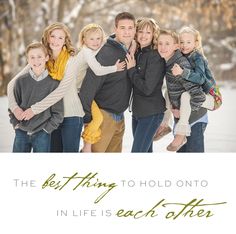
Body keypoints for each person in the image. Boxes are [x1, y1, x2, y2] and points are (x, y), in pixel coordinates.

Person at [8, 23, 85, 152]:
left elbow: (60, 91)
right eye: (53, 36)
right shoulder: (42, 58)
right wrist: (15, 108)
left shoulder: (71, 60)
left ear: (65, 40)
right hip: (50, 117)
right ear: (47, 37)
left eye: (61, 37)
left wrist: (34, 109)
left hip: (71, 116)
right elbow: (12, 84)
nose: (56, 40)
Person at [79, 12, 136, 152]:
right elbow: (89, 86)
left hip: (120, 117)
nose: (127, 32)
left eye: (130, 28)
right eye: (122, 28)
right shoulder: (106, 52)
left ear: (135, 29)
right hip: (103, 116)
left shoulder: (128, 49)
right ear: (115, 29)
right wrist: (87, 119)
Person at [157, 29, 207, 151]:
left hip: (195, 118)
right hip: (180, 118)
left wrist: (183, 112)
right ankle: (165, 124)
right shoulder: (168, 62)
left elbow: (198, 96)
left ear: (176, 46)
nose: (162, 47)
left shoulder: (179, 65)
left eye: (167, 44)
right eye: (160, 43)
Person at [8, 42, 63, 152]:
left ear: (46, 58)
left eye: (39, 57)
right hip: (21, 132)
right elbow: (13, 106)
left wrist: (46, 130)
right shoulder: (20, 81)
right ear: (27, 60)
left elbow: (58, 113)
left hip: (42, 134)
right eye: (32, 57)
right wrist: (16, 125)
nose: (36, 60)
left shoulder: (54, 84)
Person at [125, 18, 165, 152]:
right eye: (140, 31)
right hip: (137, 112)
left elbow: (147, 88)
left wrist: (131, 70)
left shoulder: (155, 56)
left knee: (137, 153)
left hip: (151, 113)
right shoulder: (138, 52)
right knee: (145, 153)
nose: (143, 35)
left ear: (154, 34)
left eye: (148, 32)